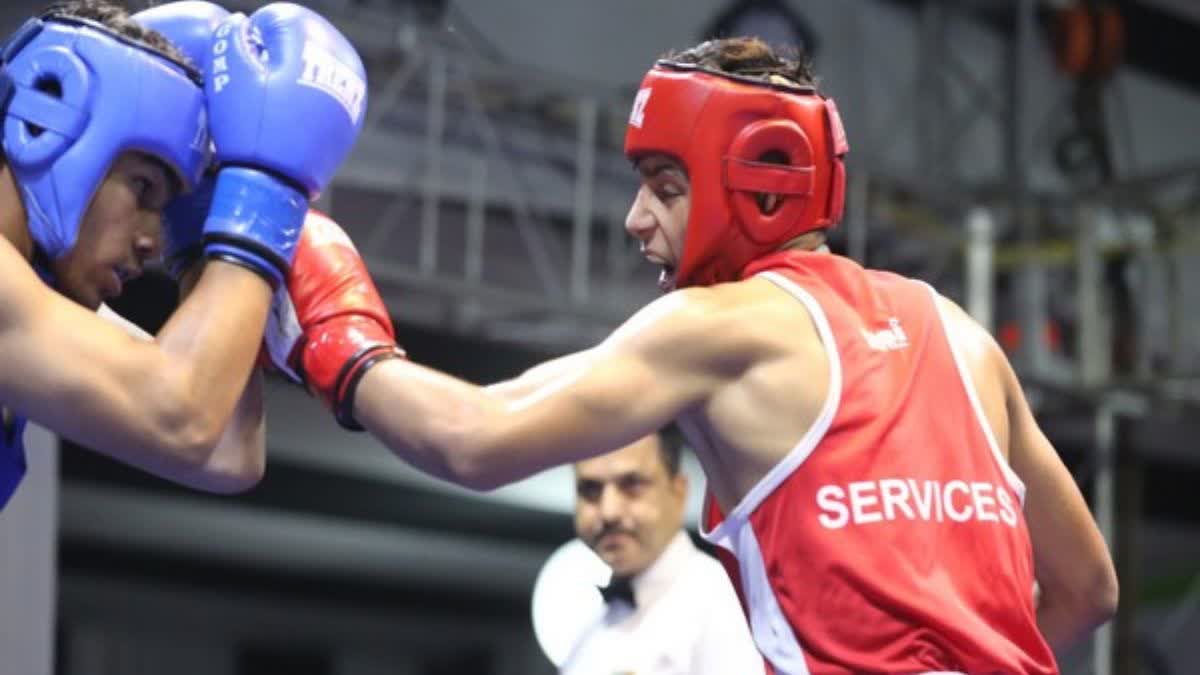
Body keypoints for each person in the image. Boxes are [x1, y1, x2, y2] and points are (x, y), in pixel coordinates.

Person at [269, 37, 1118, 674]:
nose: (638, 219)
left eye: (665, 188)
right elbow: (1088, 590)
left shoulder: (719, 326)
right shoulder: (963, 335)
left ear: (757, 182)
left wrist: (337, 345)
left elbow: (475, 437)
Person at [0, 0, 365, 507]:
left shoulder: (32, 301)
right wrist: (262, 193)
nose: (152, 243)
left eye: (168, 210)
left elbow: (227, 449)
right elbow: (181, 417)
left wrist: (199, 236)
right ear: (45, 124)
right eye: (143, 188)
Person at [559, 431, 762, 675]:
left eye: (631, 485)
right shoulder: (586, 630)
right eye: (590, 490)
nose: (609, 511)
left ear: (679, 492)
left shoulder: (724, 604)